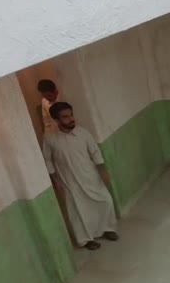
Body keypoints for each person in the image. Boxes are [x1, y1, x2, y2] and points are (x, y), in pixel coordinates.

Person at [43, 102, 119, 251]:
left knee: (106, 201)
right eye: (65, 117)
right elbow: (47, 159)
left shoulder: (83, 133)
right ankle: (86, 239)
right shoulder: (50, 138)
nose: (71, 119)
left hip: (90, 176)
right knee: (78, 211)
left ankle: (107, 228)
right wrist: (55, 180)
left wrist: (103, 172)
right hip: (69, 181)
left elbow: (95, 152)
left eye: (71, 115)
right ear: (56, 120)